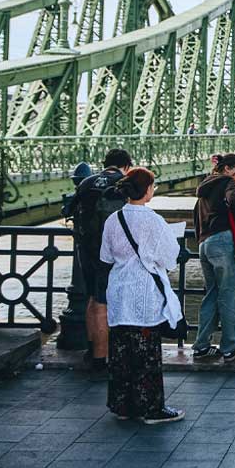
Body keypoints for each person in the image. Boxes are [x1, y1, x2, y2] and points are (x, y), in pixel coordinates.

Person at [99, 168, 185, 424]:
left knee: (121, 350)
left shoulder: (113, 219)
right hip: (144, 292)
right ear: (146, 190)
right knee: (146, 352)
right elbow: (169, 257)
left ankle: (123, 405)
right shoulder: (154, 220)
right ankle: (151, 407)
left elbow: (106, 256)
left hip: (119, 290)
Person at [71, 149, 133, 380]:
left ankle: (91, 348)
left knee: (91, 298)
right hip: (109, 252)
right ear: (126, 165)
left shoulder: (86, 182)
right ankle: (101, 358)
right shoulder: (122, 182)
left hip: (85, 247)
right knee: (103, 302)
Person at [192, 154, 235, 363]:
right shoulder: (227, 183)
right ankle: (230, 347)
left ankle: (201, 345)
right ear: (228, 169)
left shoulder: (205, 187)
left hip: (204, 244)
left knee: (211, 294)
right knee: (229, 294)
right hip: (222, 242)